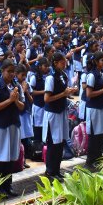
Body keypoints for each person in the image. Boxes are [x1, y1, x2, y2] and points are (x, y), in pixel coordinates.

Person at [0, 59, 24, 196]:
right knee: (0, 158)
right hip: (0, 126)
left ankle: (8, 185)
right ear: (2, 71)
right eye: (9, 71)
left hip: (13, 125)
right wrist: (10, 100)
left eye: (13, 71)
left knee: (10, 158)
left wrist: (16, 100)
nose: (11, 74)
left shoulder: (17, 87)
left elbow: (22, 106)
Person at [43, 52, 76, 180]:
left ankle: (56, 170)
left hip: (62, 111)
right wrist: (63, 94)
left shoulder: (63, 75)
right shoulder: (51, 78)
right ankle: (50, 171)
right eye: (62, 62)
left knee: (61, 142)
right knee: (53, 143)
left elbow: (63, 91)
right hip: (53, 113)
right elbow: (47, 98)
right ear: (56, 63)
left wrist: (68, 92)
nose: (65, 64)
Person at [84, 51, 103, 169]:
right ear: (96, 62)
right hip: (94, 108)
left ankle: (99, 158)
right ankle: (90, 161)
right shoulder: (92, 75)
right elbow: (89, 94)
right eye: (102, 60)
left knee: (102, 134)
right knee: (95, 135)